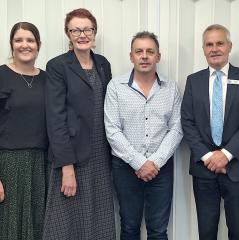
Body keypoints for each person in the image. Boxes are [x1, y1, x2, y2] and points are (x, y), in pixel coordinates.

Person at [181, 24, 239, 240]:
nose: (214, 49)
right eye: (209, 44)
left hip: (237, 167)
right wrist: (209, 157)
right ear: (203, 49)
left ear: (229, 46)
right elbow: (187, 123)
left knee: (237, 229)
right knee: (206, 231)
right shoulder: (193, 80)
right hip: (203, 168)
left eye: (219, 43)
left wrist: (225, 155)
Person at [43, 8, 116, 240]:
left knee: (99, 219)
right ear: (68, 33)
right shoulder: (57, 66)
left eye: (87, 29)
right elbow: (56, 118)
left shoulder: (103, 64)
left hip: (101, 155)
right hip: (71, 156)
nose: (82, 34)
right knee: (66, 224)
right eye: (76, 29)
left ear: (94, 32)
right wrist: (66, 167)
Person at [104, 31, 182, 240]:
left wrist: (154, 162)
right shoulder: (116, 87)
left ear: (158, 56)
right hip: (125, 168)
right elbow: (112, 130)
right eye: (139, 51)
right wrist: (139, 162)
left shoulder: (171, 88)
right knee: (129, 228)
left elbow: (177, 128)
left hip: (161, 169)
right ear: (131, 56)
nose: (144, 56)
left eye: (150, 51)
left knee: (158, 230)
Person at [0, 22, 47, 240]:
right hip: (9, 164)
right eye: (19, 40)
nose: (24, 45)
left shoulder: (48, 79)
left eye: (30, 40)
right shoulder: (1, 75)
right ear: (11, 45)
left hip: (42, 165)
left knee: (38, 227)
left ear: (38, 45)